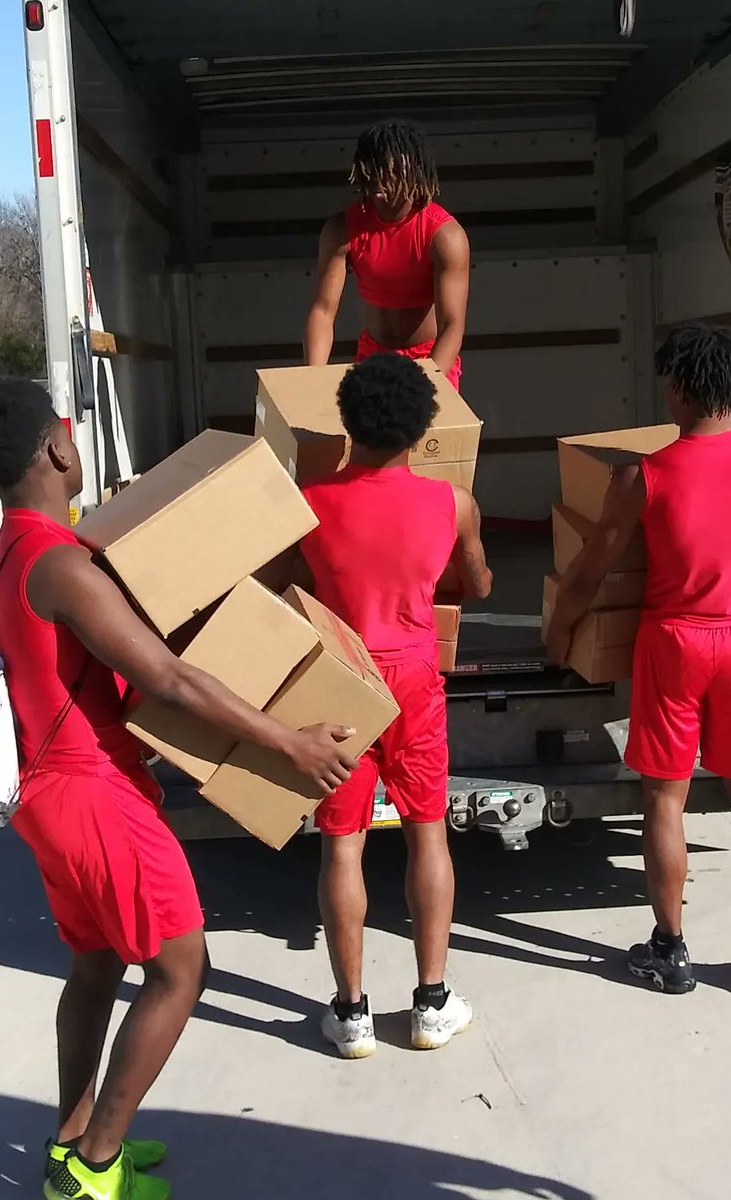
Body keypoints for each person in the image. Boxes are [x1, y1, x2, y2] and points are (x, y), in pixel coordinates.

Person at [0, 379, 359, 1200]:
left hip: (49, 794)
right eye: (69, 434)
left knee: (97, 966)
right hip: (91, 791)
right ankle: (97, 1168)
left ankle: (70, 1145)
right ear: (57, 449)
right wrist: (288, 741)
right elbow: (171, 678)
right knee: (182, 971)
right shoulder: (59, 563)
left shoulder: (13, 546)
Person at [545, 326, 731, 996]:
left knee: (665, 797)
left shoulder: (643, 473)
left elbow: (591, 569)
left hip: (673, 642)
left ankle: (671, 950)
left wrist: (559, 629)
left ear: (681, 387)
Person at [292, 353, 492, 1057]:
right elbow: (477, 585)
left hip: (342, 676)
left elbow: (284, 587)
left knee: (342, 846)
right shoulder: (451, 504)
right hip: (414, 674)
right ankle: (432, 1003)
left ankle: (351, 1015)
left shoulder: (309, 501)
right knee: (427, 831)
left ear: (347, 422)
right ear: (422, 428)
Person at [304, 118, 470, 390]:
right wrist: (311, 379)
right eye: (373, 169)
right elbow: (322, 311)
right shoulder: (341, 230)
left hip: (430, 361)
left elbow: (452, 325)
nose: (381, 179)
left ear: (414, 170)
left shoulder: (445, 236)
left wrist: (425, 384)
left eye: (392, 170)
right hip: (373, 358)